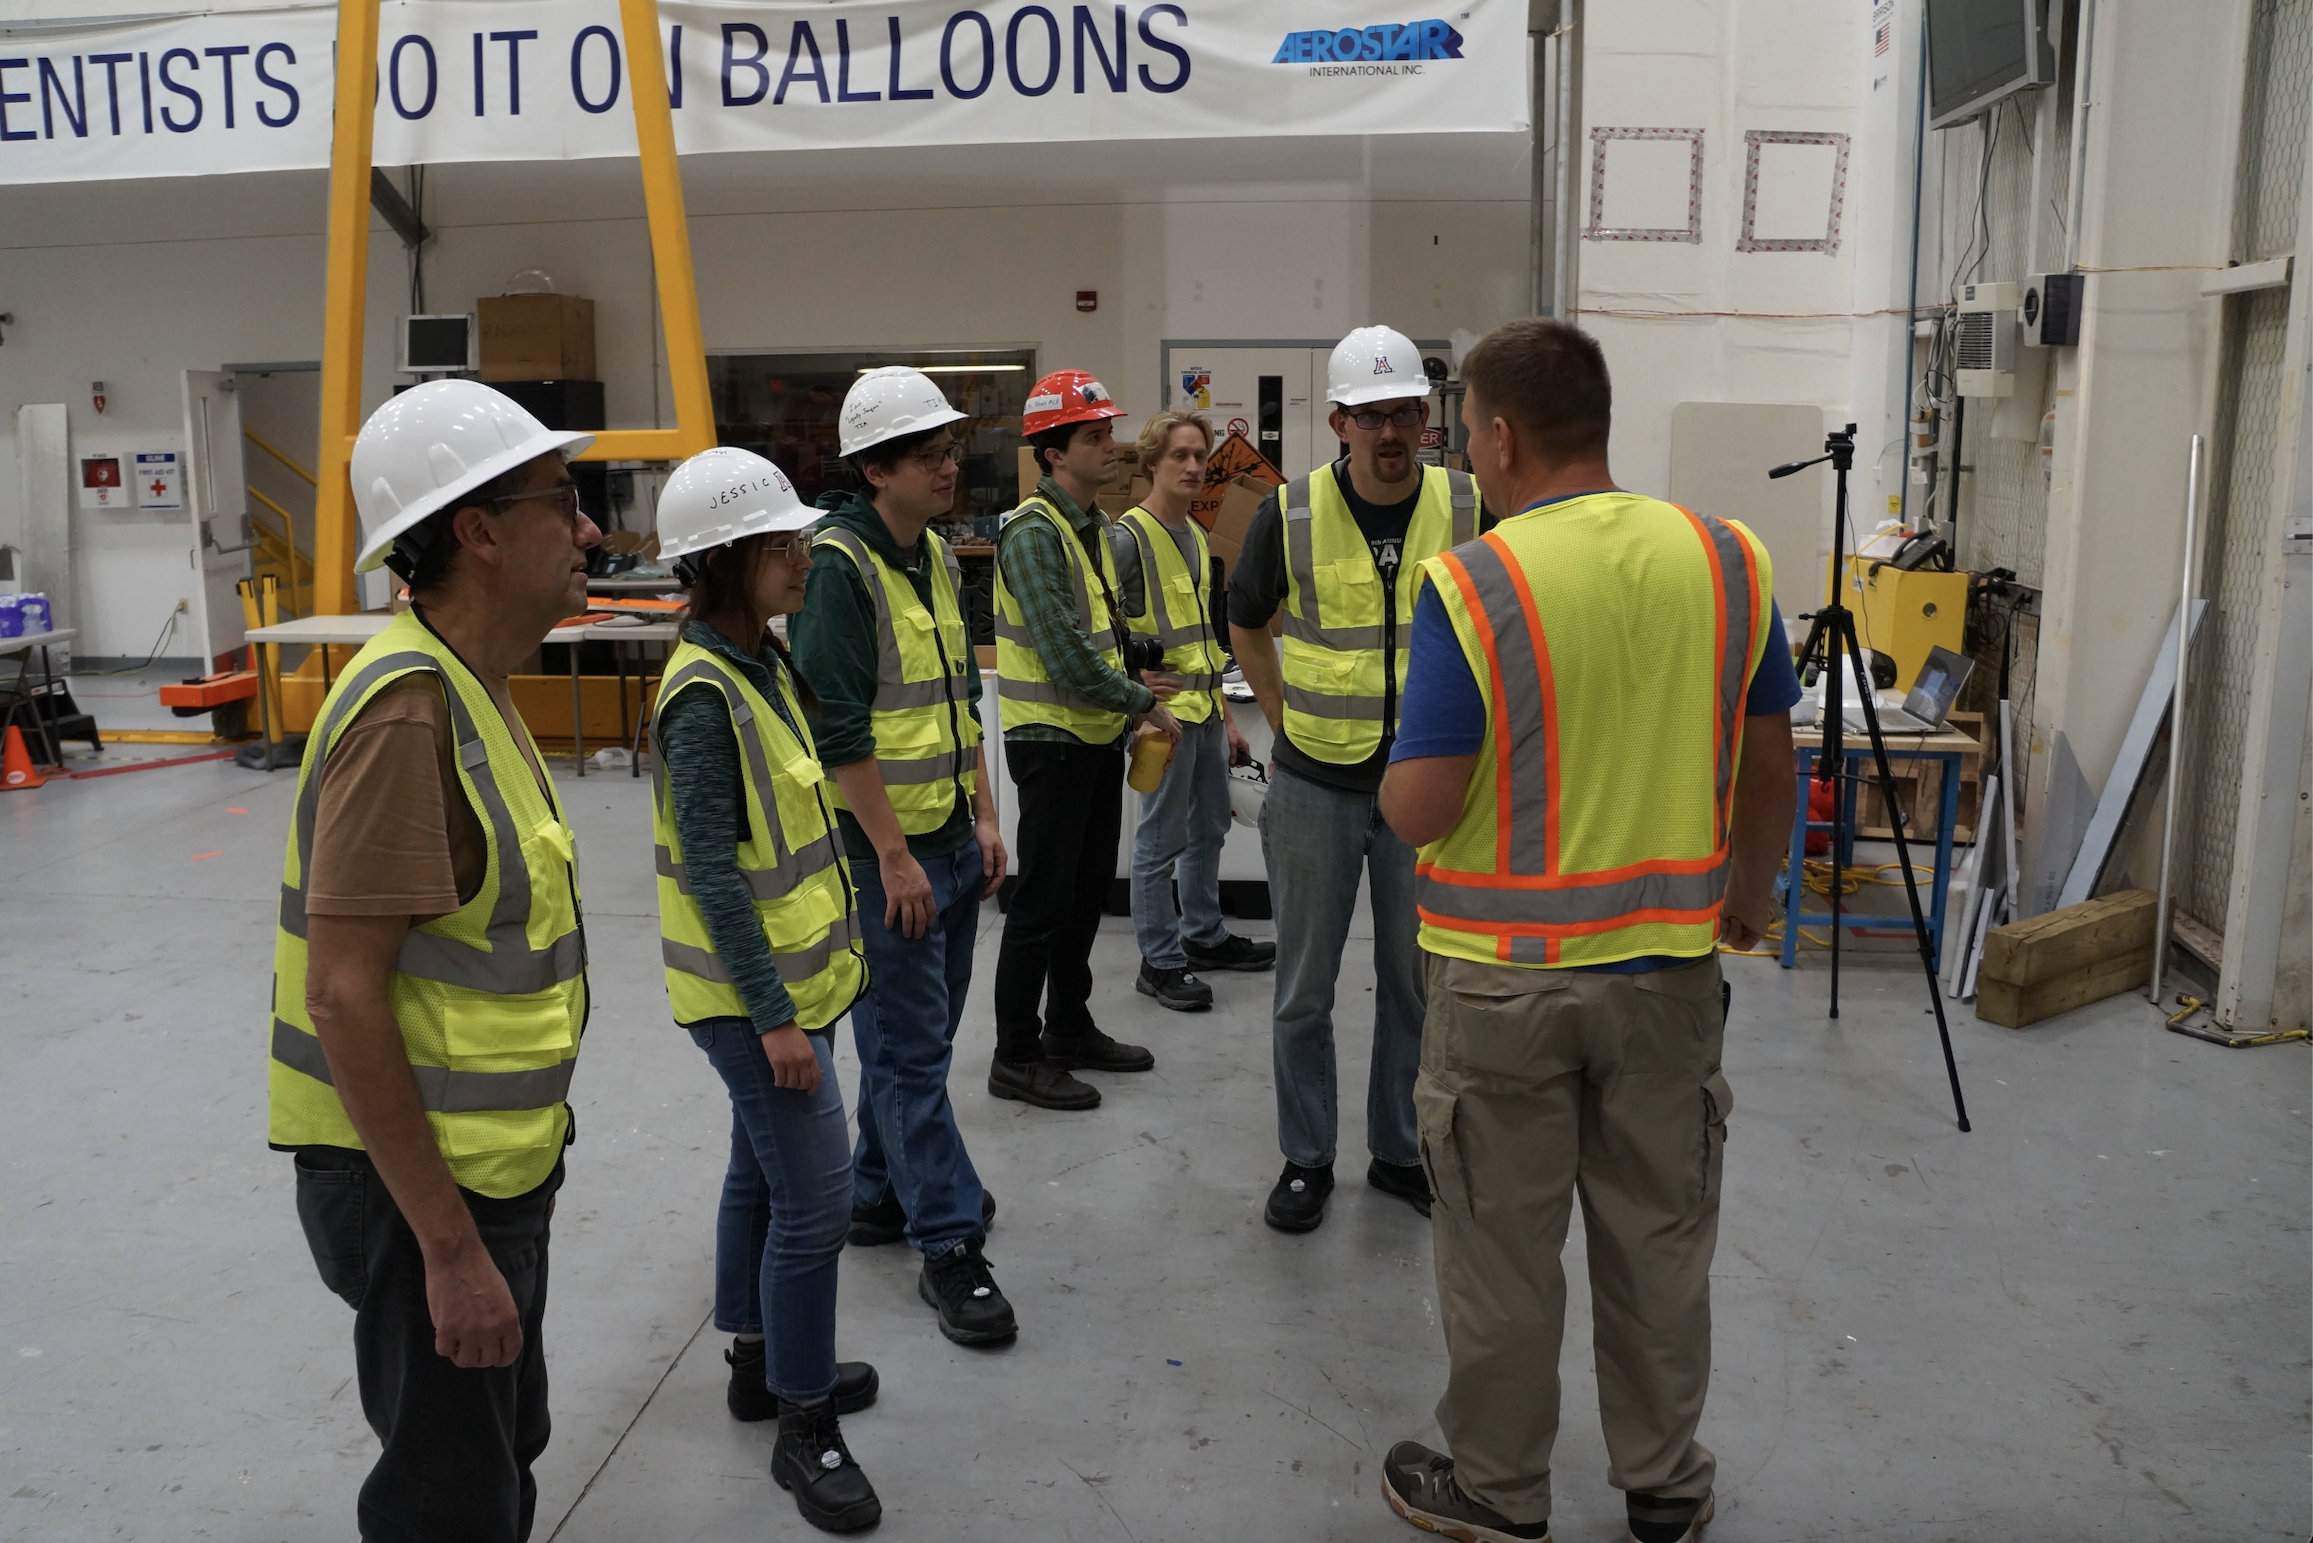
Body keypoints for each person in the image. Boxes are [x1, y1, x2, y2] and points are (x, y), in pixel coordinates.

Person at [1374, 317, 1799, 1543]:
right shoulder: (1726, 558)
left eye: (1467, 437)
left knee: (1502, 1252)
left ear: (1499, 436)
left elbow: (1428, 800)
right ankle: (1665, 1481)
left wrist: (1392, 786)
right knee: (1660, 1239)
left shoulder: (1480, 579)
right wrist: (1751, 899)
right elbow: (1773, 769)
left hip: (1504, 987)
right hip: (1669, 971)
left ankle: (1501, 1494)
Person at [269, 379, 597, 1542]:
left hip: (487, 1169)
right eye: (567, 499)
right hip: (422, 1195)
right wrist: (450, 1251)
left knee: (500, 1451)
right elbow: (343, 993)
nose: (592, 527)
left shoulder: (471, 689)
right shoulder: (411, 711)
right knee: (449, 1501)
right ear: (479, 530)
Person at [650, 448, 880, 1533]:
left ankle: (755, 1356)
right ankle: (804, 1421)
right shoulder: (701, 697)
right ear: (726, 560)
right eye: (781, 546)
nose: (800, 559)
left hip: (792, 988)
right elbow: (711, 874)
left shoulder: (761, 660)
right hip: (752, 1003)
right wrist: (776, 1019)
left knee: (760, 1167)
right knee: (818, 1202)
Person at [1226, 324, 1482, 1233]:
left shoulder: (1467, 505)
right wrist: (1282, 709)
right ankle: (1306, 1156)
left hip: (1426, 788)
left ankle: (1398, 1151)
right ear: (1336, 421)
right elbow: (1245, 621)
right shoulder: (1289, 512)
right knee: (1303, 987)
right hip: (1314, 786)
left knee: (1415, 984)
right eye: (1369, 416)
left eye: (1404, 413)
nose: (1388, 432)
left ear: (1426, 419)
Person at [792, 366, 1015, 1350]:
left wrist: (981, 816)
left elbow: (955, 698)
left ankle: (880, 1190)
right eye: (928, 452)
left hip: (946, 844)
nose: (948, 463)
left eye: (949, 448)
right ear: (876, 468)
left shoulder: (928, 553)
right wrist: (891, 856)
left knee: (919, 1038)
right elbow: (838, 728)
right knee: (910, 1051)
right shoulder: (840, 567)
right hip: (886, 858)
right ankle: (948, 1240)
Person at [988, 369, 1177, 1110]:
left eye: (1107, 433)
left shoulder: (1089, 527)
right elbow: (1065, 656)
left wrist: (1146, 658)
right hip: (1051, 741)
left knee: (1084, 895)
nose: (1112, 448)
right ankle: (1015, 1052)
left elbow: (1103, 633)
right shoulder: (1034, 534)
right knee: (1039, 902)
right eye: (1094, 437)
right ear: (1053, 452)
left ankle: (1068, 1026)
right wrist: (1140, 701)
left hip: (1092, 738)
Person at [1107, 409, 1276, 1010]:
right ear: (1152, 462)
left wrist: (1229, 720)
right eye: (1178, 454)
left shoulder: (1199, 539)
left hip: (1205, 713)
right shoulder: (1128, 537)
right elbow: (1098, 629)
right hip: (1163, 719)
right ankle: (1159, 960)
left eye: (1199, 456)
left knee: (1208, 829)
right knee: (1159, 841)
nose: (1192, 466)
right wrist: (1134, 692)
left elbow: (1206, 637)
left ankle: (1203, 936)